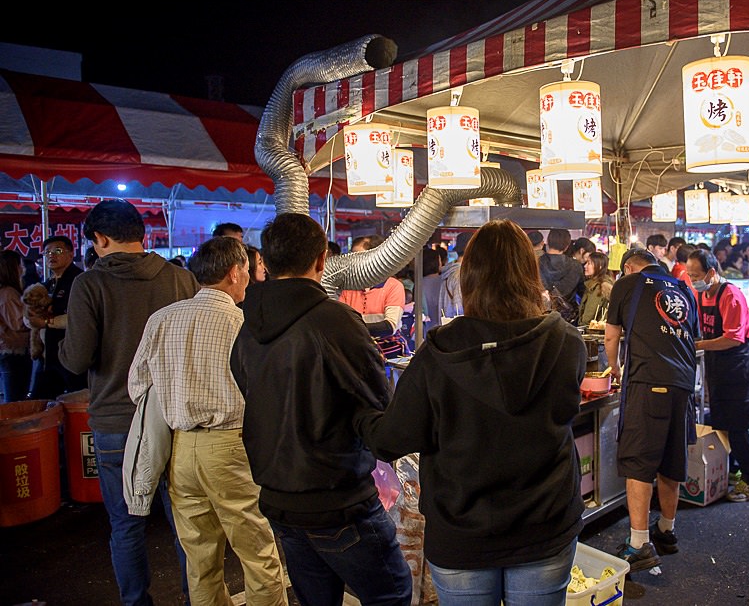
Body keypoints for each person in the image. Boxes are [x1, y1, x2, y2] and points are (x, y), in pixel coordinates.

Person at [355, 220, 586, 605]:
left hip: (461, 528)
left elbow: (392, 439)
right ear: (529, 274)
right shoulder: (564, 341)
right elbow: (565, 410)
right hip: (545, 522)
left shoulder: (439, 351)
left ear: (470, 277)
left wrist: (360, 411)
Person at [229, 213, 411, 606]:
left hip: (278, 497)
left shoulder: (248, 326)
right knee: (392, 593)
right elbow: (379, 402)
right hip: (337, 499)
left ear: (267, 263)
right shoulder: (336, 321)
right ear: (321, 260)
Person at [127, 237, 287, 605]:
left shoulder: (162, 319)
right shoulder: (244, 322)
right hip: (231, 447)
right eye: (248, 269)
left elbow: (138, 386)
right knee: (258, 554)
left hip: (179, 448)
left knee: (199, 560)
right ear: (234, 272)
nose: (250, 277)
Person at [59, 198, 199, 606]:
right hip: (176, 417)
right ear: (142, 235)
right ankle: (198, 597)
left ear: (100, 239)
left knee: (126, 525)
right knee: (187, 524)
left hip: (118, 422)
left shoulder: (90, 284)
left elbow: (76, 357)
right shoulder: (180, 279)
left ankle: (137, 602)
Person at [604, 248, 698, 570]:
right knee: (671, 459)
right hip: (684, 385)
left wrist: (614, 369)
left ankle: (639, 543)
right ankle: (667, 531)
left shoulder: (627, 284)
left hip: (649, 383)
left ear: (628, 267)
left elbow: (611, 337)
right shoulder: (684, 289)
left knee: (639, 462)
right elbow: (690, 339)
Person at [685, 249, 749, 502]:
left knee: (737, 427)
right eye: (689, 274)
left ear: (711, 272)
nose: (692, 279)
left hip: (738, 367)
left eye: (696, 275)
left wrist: (698, 345)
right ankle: (733, 469)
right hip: (717, 366)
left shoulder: (731, 295)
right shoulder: (703, 294)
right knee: (720, 424)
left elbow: (733, 337)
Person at [25, 235, 87, 399]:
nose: (51, 255)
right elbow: (29, 313)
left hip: (72, 356)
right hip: (48, 357)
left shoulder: (79, 281)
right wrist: (29, 319)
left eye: (57, 251)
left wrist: (46, 322)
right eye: (47, 253)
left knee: (75, 402)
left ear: (70, 254)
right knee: (40, 403)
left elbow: (80, 317)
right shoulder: (46, 284)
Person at [0, 251, 31, 402]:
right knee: (15, 400)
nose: (23, 268)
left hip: (10, 351)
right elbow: (19, 323)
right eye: (20, 264)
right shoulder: (9, 293)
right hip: (13, 352)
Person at [539, 228, 584, 322]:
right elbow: (582, 292)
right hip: (568, 318)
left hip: (542, 316)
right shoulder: (576, 266)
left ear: (548, 242)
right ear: (566, 246)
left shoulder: (535, 263)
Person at [440, 231, 472, 319]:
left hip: (450, 327)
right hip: (459, 328)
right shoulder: (460, 274)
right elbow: (459, 308)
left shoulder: (450, 271)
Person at [578, 250, 614, 327]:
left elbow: (588, 316)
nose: (585, 266)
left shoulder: (599, 287)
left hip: (593, 331)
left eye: (589, 263)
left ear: (599, 266)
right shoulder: (597, 283)